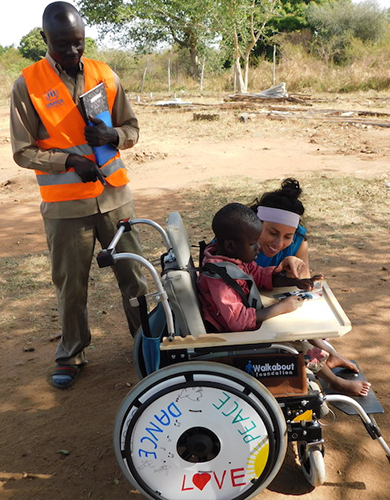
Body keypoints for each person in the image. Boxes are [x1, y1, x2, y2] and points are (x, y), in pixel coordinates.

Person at [10, 1, 148, 389]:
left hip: (115, 199)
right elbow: (22, 151)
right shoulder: (28, 84)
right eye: (62, 45)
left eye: (78, 43)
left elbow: (131, 128)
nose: (72, 52)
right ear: (44, 39)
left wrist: (114, 136)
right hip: (66, 208)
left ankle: (148, 347)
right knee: (71, 284)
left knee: (134, 277)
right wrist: (69, 160)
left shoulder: (104, 75)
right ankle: (71, 353)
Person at [198, 203, 371, 397]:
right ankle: (335, 381)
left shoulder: (229, 258)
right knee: (298, 343)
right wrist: (280, 307)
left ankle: (331, 357)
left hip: (243, 323)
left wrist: (295, 282)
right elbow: (236, 321)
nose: (258, 248)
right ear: (230, 245)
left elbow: (257, 274)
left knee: (303, 328)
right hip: (233, 339)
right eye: (253, 243)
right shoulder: (219, 279)